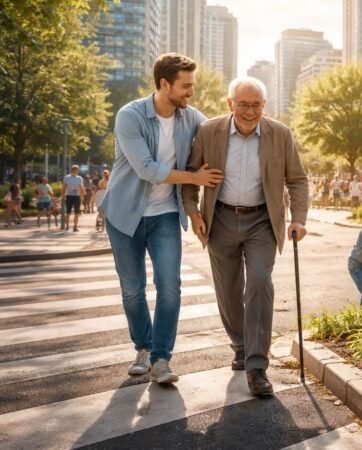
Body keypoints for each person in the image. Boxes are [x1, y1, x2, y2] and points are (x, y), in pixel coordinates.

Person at [182, 76, 309, 397]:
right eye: (243, 104)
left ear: (264, 106)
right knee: (227, 289)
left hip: (262, 222)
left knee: (259, 283)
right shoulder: (209, 131)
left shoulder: (281, 134)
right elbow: (189, 178)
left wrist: (299, 219)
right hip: (220, 218)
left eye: (256, 105)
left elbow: (298, 180)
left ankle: (256, 365)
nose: (249, 112)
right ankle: (240, 342)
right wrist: (194, 213)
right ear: (230, 104)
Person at [101, 53, 223, 385]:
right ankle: (143, 347)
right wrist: (193, 178)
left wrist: (246, 111)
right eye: (185, 86)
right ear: (164, 84)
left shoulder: (192, 117)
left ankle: (161, 359)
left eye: (192, 86)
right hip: (125, 215)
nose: (191, 93)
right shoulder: (130, 116)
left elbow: (218, 135)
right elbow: (147, 170)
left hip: (165, 215)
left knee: (170, 286)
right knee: (132, 290)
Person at [62, 165, 85, 232]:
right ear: (73, 170)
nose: (77, 171)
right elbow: (64, 186)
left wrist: (82, 196)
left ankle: (75, 226)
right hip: (69, 196)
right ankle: (67, 226)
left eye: (77, 170)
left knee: (76, 212)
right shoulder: (67, 177)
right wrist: (63, 195)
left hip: (77, 196)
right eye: (76, 170)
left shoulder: (79, 178)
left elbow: (81, 187)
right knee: (68, 212)